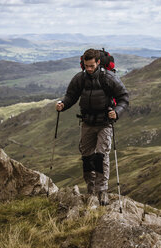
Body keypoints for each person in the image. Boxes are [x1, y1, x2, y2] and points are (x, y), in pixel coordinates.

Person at [55, 48, 129, 205]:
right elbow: (71, 96)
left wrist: (116, 112)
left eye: (91, 66)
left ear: (98, 63)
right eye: (86, 66)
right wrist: (63, 104)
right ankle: (91, 191)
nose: (89, 69)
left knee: (101, 156)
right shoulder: (80, 78)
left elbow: (124, 97)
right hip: (87, 122)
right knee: (87, 158)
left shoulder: (108, 78)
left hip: (105, 123)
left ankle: (102, 192)